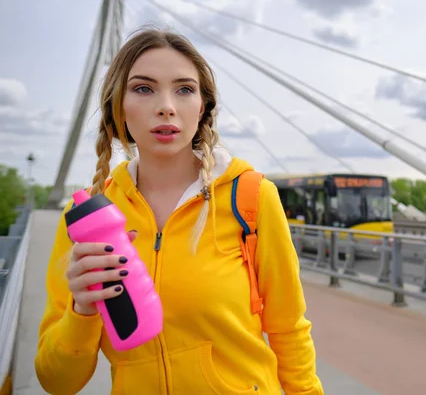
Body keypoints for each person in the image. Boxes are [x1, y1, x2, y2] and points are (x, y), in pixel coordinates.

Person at [34, 26, 324, 395]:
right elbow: (56, 382)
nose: (166, 105)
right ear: (117, 106)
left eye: (184, 89)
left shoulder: (251, 198)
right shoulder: (86, 221)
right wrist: (82, 309)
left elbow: (289, 330)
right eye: (143, 88)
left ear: (202, 107)